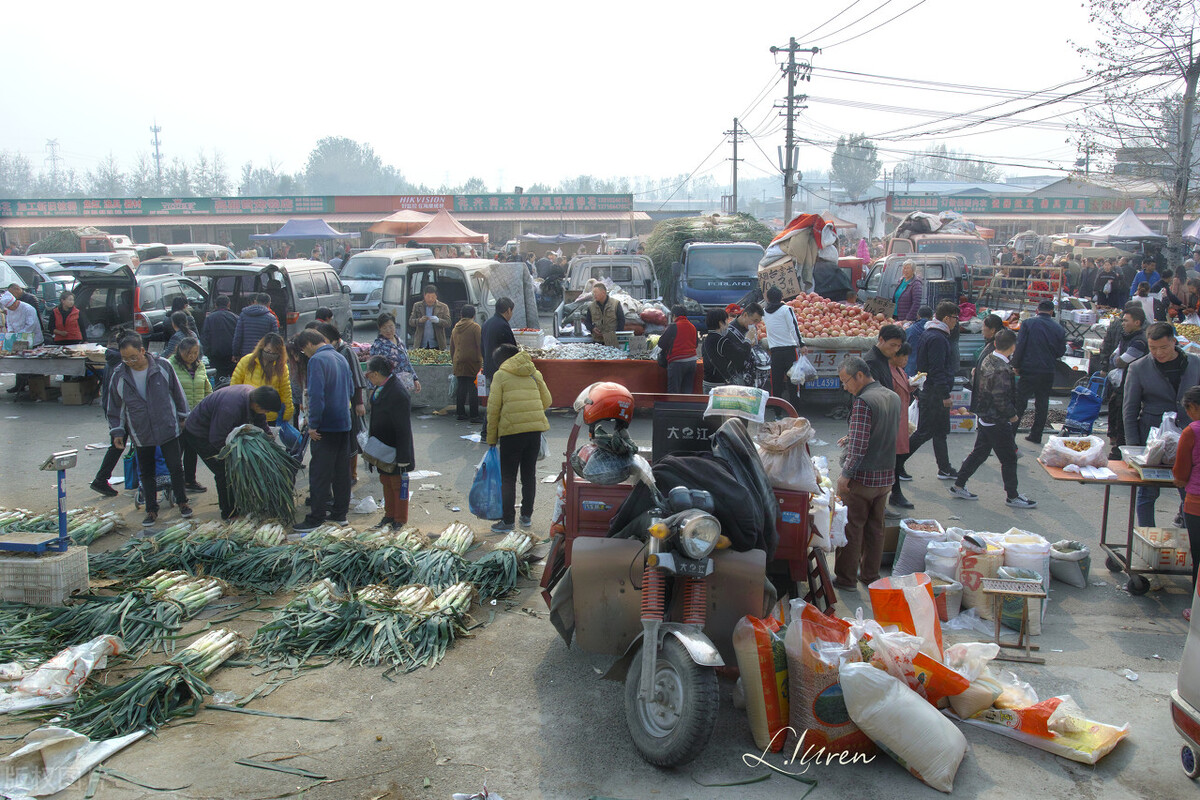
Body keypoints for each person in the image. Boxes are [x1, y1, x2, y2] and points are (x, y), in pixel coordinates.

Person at [106, 333, 192, 526]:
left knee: (175, 467)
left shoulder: (162, 366)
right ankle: (151, 509)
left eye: (133, 357)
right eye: (125, 358)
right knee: (146, 472)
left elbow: (177, 393)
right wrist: (117, 431)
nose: (129, 362)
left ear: (142, 351)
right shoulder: (119, 374)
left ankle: (183, 502)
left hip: (167, 426)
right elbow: (115, 406)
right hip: (140, 430)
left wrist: (183, 417)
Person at [948, 330, 1037, 508]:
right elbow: (1000, 398)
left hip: (985, 416)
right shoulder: (1001, 368)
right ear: (1013, 347)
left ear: (995, 344)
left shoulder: (988, 358)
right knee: (1009, 458)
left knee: (979, 453)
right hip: (997, 419)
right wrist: (1012, 415)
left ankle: (959, 484)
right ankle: (1012, 496)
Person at [833, 356, 899, 592]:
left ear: (859, 376)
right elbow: (882, 431)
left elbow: (860, 447)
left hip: (863, 478)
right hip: (886, 477)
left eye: (845, 380)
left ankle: (846, 579)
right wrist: (851, 436)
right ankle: (870, 576)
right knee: (876, 528)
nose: (845, 386)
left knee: (851, 527)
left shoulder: (863, 401)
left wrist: (845, 476)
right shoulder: (891, 396)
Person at [1124, 322, 1200, 527]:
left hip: (1190, 438)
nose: (1158, 353)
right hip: (1153, 440)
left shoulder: (1195, 363)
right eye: (1153, 348)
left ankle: (1188, 538)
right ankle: (1147, 536)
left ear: (1174, 342)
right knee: (1147, 492)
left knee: (1190, 492)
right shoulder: (1138, 368)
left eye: (1164, 348)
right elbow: (1129, 410)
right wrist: (1134, 447)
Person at [182, 384, 281, 520]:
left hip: (217, 431)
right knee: (224, 470)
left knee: (236, 467)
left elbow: (261, 424)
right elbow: (217, 438)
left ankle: (240, 504)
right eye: (266, 410)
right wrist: (236, 454)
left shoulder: (254, 399)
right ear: (258, 406)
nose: (266, 413)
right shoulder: (230, 408)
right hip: (200, 433)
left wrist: (270, 443)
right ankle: (229, 513)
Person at [293, 329, 355, 532]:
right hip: (344, 423)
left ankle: (316, 517)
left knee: (319, 473)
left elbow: (316, 396)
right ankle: (340, 514)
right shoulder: (340, 356)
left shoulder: (317, 361)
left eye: (303, 351)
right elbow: (351, 391)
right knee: (341, 472)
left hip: (325, 425)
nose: (305, 355)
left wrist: (313, 425)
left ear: (308, 344)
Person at [486, 342, 551, 533]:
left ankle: (507, 521)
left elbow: (493, 409)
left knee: (508, 478)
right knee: (529, 475)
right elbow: (547, 400)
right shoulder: (533, 372)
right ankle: (526, 516)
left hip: (511, 433)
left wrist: (491, 438)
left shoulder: (500, 376)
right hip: (534, 432)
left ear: (501, 361)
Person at [898, 301, 959, 480]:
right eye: (955, 318)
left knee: (940, 432)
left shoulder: (932, 333)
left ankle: (945, 468)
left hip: (932, 390)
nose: (956, 322)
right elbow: (937, 369)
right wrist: (945, 395)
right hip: (934, 393)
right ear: (946, 317)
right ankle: (897, 465)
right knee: (924, 432)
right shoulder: (937, 338)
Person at [364, 355, 416, 528]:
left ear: (377, 374)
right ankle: (389, 514)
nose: (368, 377)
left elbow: (403, 429)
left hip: (396, 448)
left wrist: (403, 457)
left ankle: (399, 519)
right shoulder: (381, 387)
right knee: (385, 480)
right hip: (382, 447)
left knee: (397, 483)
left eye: (369, 374)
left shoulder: (397, 393)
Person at [317, 322, 366, 484]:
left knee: (352, 438)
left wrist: (359, 402)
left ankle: (352, 474)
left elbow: (357, 377)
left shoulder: (346, 351)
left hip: (349, 402)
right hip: (335, 403)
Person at [1013, 299, 1067, 445]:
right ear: (1051, 312)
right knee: (1042, 402)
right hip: (1048, 370)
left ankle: (1011, 434)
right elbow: (1061, 351)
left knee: (1020, 401)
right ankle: (1036, 435)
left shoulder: (1028, 324)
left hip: (1029, 369)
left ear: (1037, 310)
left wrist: (1016, 365)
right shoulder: (1059, 329)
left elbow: (1020, 346)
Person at [1099, 303, 1149, 458]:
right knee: (1115, 411)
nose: (1123, 324)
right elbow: (1116, 357)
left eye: (1126, 321)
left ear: (1137, 322)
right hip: (1121, 384)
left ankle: (1119, 450)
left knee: (1124, 417)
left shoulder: (1139, 341)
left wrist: (1116, 358)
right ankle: (1116, 443)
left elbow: (1120, 361)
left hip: (1131, 385)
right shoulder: (1126, 337)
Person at [169, 336, 212, 494]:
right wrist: (179, 416)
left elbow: (206, 387)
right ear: (180, 351)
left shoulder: (199, 366)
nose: (192, 356)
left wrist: (209, 407)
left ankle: (190, 480)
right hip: (177, 417)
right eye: (189, 353)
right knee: (176, 452)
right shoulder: (170, 365)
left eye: (195, 352)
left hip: (196, 416)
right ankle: (174, 483)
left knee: (192, 450)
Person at [89, 329, 128, 497]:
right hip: (120, 411)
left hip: (113, 409)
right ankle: (100, 479)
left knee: (118, 445)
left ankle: (101, 478)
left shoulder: (112, 359)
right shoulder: (120, 363)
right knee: (119, 444)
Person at [1172, 385, 1200, 614]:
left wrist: (1181, 480)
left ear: (1192, 408)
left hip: (1197, 502)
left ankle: (1197, 610)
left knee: (1199, 556)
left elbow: (1180, 474)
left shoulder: (1192, 431)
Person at [231, 333, 294, 425]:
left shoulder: (281, 367)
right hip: (248, 410)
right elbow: (235, 384)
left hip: (269, 414)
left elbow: (285, 391)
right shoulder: (247, 360)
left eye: (275, 352)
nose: (271, 354)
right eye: (268, 351)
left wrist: (288, 412)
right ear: (262, 347)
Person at [480, 297, 517, 436]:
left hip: (490, 367)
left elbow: (481, 347)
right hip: (501, 369)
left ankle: (490, 432)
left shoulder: (487, 323)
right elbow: (511, 349)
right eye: (511, 311)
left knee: (494, 401)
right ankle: (487, 432)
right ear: (508, 310)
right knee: (497, 403)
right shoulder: (503, 325)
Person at [762, 288, 803, 408]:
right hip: (790, 351)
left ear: (768, 299)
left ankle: (777, 413)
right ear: (781, 298)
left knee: (776, 383)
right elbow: (794, 328)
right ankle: (794, 412)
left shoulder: (764, 312)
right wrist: (801, 344)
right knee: (793, 383)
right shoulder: (786, 309)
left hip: (775, 352)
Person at [888, 343, 915, 511]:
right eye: (903, 356)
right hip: (893, 422)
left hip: (901, 420)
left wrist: (913, 385)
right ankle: (895, 493)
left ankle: (896, 493)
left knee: (896, 460)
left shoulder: (899, 370)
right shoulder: (888, 372)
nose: (906, 360)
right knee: (894, 460)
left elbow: (904, 387)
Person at [1, 290, 43, 394]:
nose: (11, 309)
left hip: (32, 338)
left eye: (11, 307)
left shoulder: (28, 309)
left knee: (33, 363)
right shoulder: (10, 310)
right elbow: (9, 322)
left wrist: (19, 335)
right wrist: (11, 332)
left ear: (15, 302)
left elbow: (30, 325)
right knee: (19, 362)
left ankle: (35, 385)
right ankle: (19, 385)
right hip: (19, 338)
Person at [715, 303, 764, 387]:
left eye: (758, 321)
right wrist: (748, 341)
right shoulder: (729, 331)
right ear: (745, 315)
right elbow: (738, 357)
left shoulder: (752, 328)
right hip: (735, 379)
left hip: (751, 375)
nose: (755, 324)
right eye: (754, 320)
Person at [370, 312, 420, 394]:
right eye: (384, 327)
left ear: (395, 325)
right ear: (380, 328)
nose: (388, 330)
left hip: (403, 387)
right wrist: (372, 391)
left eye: (391, 326)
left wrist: (415, 378)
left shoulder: (399, 341)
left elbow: (407, 362)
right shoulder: (378, 346)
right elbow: (373, 370)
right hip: (387, 389)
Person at [450, 304, 483, 422]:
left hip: (458, 360)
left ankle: (460, 413)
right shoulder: (475, 327)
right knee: (473, 388)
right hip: (472, 361)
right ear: (474, 315)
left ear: (461, 315)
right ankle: (474, 415)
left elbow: (452, 347)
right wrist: (481, 359)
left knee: (461, 387)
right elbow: (480, 345)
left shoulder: (455, 328)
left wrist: (454, 360)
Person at [659, 304, 700, 395]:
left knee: (674, 392)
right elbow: (696, 344)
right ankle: (686, 408)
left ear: (674, 315)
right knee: (687, 392)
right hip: (692, 362)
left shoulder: (674, 326)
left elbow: (661, 343)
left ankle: (674, 409)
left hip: (677, 362)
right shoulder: (693, 327)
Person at [201, 296, 238, 382]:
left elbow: (204, 338)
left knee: (218, 379)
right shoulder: (235, 318)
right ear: (229, 304)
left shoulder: (209, 319)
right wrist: (237, 353)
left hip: (215, 357)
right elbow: (239, 337)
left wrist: (208, 353)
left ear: (215, 305)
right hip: (232, 357)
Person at [233, 292, 279, 359]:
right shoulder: (271, 318)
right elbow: (275, 340)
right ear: (269, 303)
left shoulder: (243, 315)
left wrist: (235, 353)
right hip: (263, 355)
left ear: (256, 301)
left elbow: (238, 336)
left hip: (246, 355)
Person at [408, 284, 452, 350]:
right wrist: (419, 320)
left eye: (433, 297)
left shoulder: (443, 307)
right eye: (428, 296)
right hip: (421, 343)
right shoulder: (417, 306)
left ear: (436, 296)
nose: (430, 299)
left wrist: (438, 320)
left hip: (438, 344)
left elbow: (448, 323)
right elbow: (411, 321)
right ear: (424, 296)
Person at [864, 325, 904, 392]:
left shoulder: (884, 357)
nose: (896, 350)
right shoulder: (871, 362)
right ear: (881, 339)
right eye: (893, 345)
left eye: (899, 346)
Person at [700, 308, 731, 392]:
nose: (728, 325)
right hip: (719, 384)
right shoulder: (721, 340)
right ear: (721, 323)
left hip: (707, 381)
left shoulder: (706, 339)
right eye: (726, 321)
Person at [904, 306, 934, 377]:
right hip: (928, 370)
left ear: (918, 316)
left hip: (911, 367)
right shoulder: (933, 331)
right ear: (931, 318)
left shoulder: (909, 330)